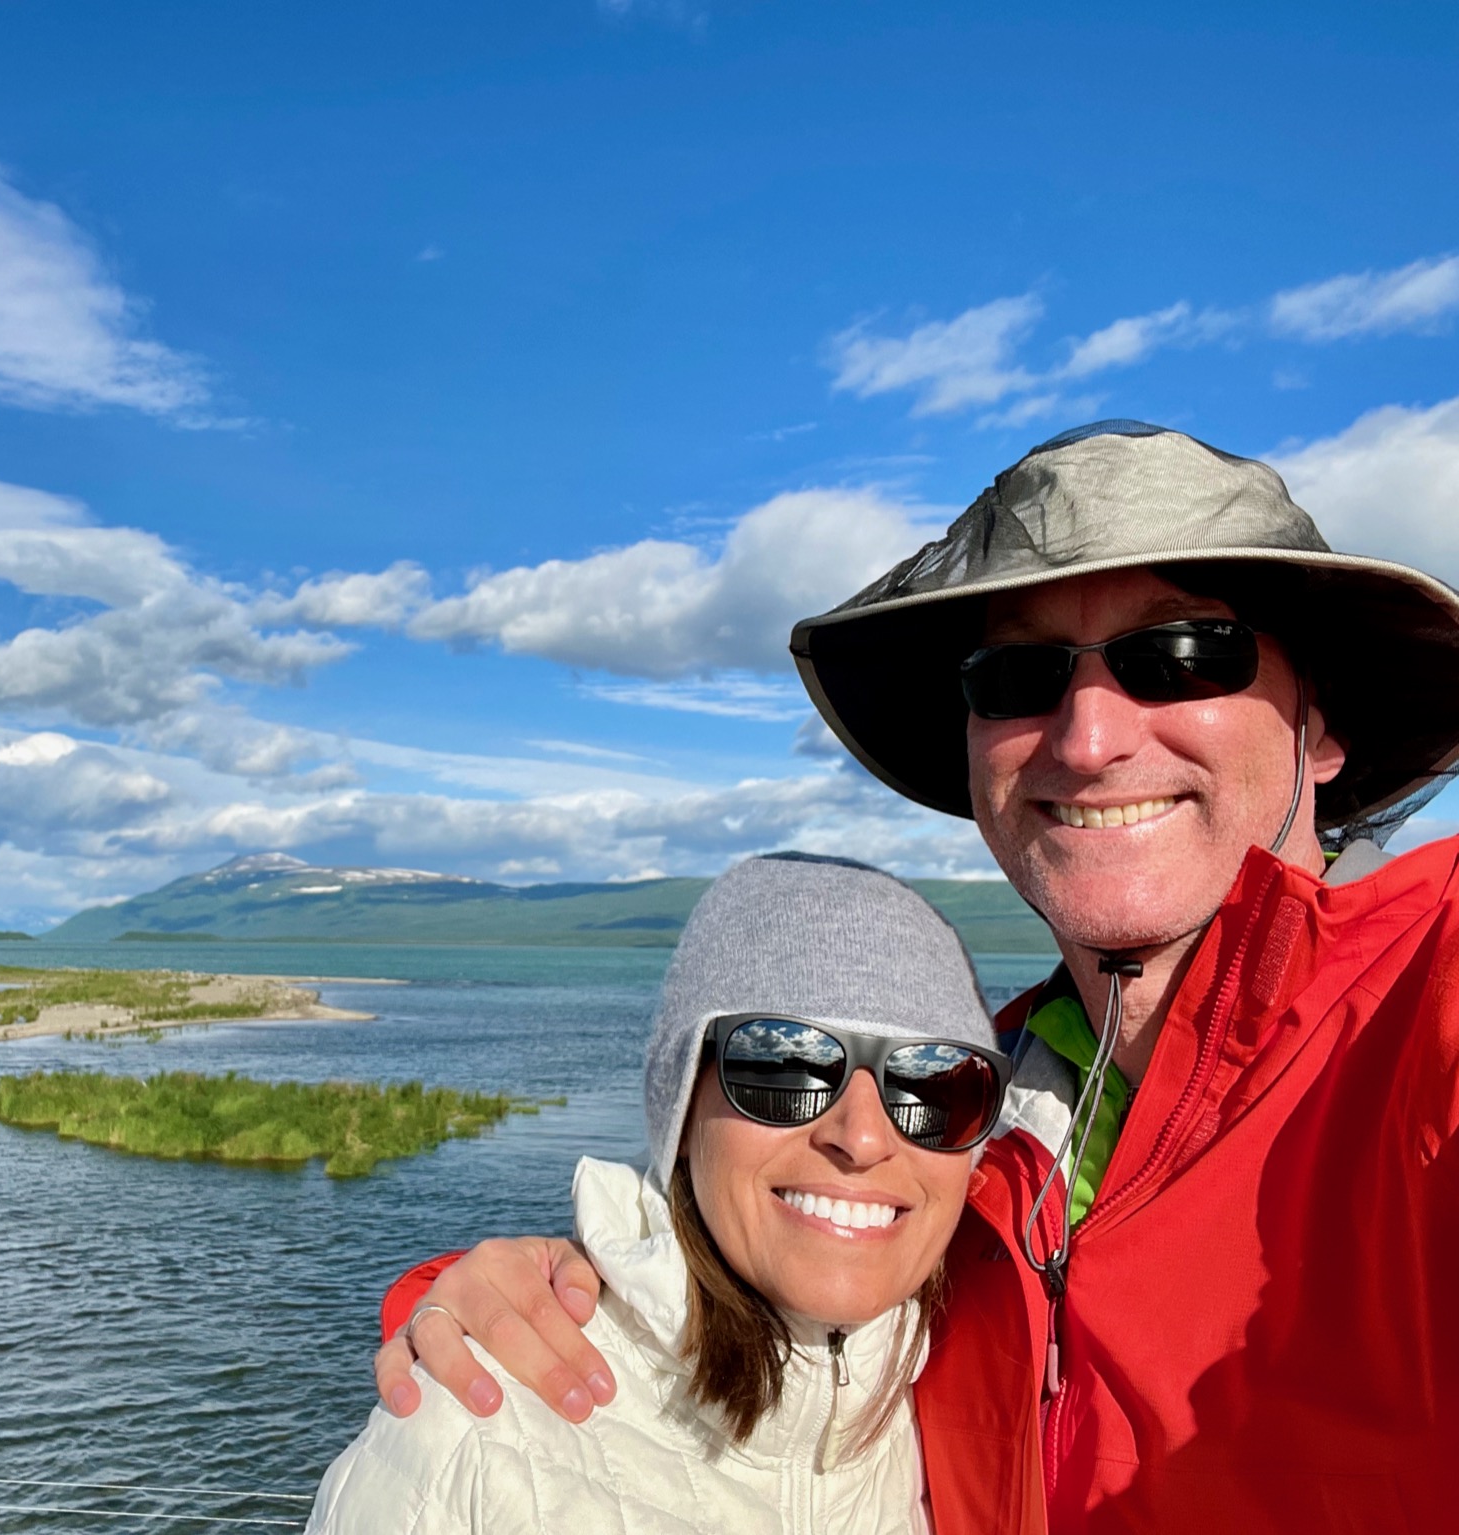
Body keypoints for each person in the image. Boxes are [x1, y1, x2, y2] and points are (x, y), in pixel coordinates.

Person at [373, 422, 1459, 1532]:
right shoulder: (955, 1119)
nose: (1086, 737)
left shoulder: (1427, 988)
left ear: (1316, 726)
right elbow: (788, 1339)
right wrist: (539, 1308)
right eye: (1019, 673)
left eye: (1181, 653)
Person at [310, 853, 1011, 1533]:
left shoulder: (973, 1414)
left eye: (934, 1085)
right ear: (679, 1108)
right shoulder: (470, 1433)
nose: (862, 1138)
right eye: (782, 1064)